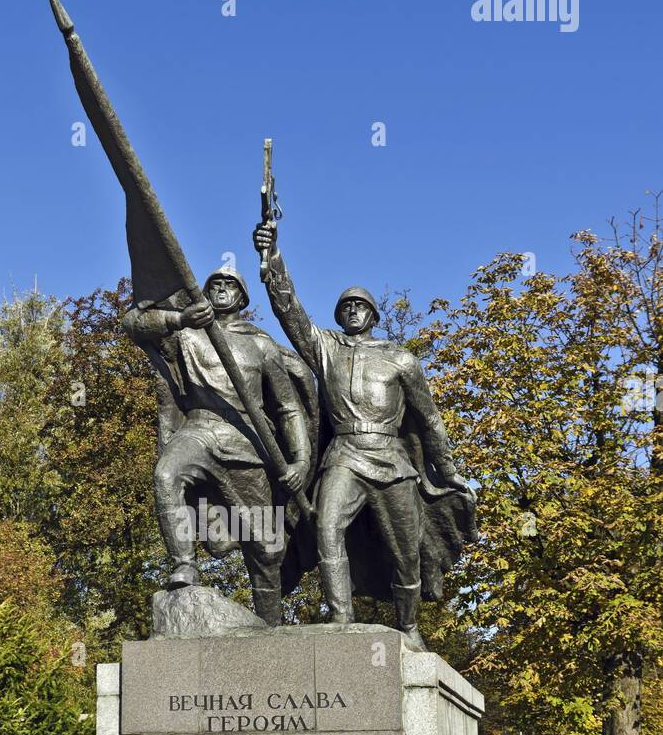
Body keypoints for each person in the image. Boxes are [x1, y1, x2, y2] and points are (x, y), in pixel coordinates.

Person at [252, 220, 475, 646]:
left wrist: (446, 472)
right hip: (345, 455)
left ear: (372, 315)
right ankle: (340, 618)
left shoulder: (401, 361)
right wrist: (271, 256)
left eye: (359, 306)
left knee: (406, 554)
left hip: (393, 462)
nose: (352, 311)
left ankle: (408, 627)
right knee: (327, 526)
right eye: (346, 307)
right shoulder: (327, 348)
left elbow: (429, 420)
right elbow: (290, 310)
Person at [123, 267, 312, 626]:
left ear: (242, 297)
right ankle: (184, 565)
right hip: (199, 430)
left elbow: (288, 408)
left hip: (246, 443)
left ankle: (271, 628)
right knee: (166, 474)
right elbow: (132, 324)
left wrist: (300, 460)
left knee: (266, 550)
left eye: (230, 286)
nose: (222, 289)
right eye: (216, 285)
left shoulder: (261, 345)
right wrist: (179, 317)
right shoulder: (187, 336)